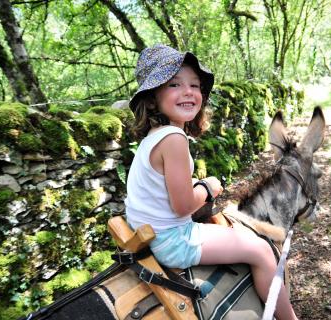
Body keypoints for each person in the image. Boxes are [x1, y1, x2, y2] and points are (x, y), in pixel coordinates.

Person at [124, 44, 299, 320]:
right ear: (151, 99)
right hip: (173, 240)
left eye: (195, 85)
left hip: (154, 233)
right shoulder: (174, 139)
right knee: (262, 250)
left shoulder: (153, 138)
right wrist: (206, 188)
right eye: (174, 84)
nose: (188, 91)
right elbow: (182, 206)